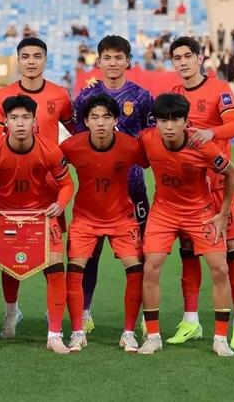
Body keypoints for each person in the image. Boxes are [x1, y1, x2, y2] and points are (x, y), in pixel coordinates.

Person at [0, 95, 74, 354]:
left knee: (56, 264)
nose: (20, 123)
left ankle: (54, 335)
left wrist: (60, 204)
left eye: (25, 117)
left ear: (34, 121)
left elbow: (67, 184)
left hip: (40, 216)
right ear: (5, 121)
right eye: (14, 118)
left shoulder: (50, 150)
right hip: (3, 215)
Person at [0, 37, 75, 338]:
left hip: (49, 192)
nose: (32, 62)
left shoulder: (60, 94)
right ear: (18, 60)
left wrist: (65, 161)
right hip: (11, 191)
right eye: (26, 56)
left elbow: (76, 133)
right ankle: (12, 314)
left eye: (37, 56)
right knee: (9, 255)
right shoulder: (3, 95)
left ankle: (53, 315)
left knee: (52, 257)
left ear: (45, 60)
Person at [137, 93, 234, 358]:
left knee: (220, 269)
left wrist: (223, 212)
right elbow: (135, 160)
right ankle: (153, 337)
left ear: (186, 121)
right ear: (156, 122)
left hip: (199, 213)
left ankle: (220, 339)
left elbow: (231, 173)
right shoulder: (146, 139)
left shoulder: (201, 145)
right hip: (164, 212)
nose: (169, 127)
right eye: (163, 121)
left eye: (175, 120)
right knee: (151, 267)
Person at [169, 36, 234, 350]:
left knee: (230, 253)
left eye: (188, 56)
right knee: (188, 252)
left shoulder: (219, 89)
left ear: (200, 58)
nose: (183, 62)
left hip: (218, 186)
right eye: (177, 58)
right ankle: (191, 321)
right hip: (188, 190)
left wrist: (210, 132)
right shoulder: (174, 94)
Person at [72, 35, 154, 334]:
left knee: (141, 255)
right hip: (95, 190)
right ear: (99, 61)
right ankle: (84, 312)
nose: (113, 63)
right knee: (89, 255)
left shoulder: (142, 97)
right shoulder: (86, 96)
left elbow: (151, 139)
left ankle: (145, 314)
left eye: (119, 57)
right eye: (107, 57)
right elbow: (78, 138)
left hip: (133, 188)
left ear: (128, 61)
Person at [61, 94, 145, 353]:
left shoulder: (130, 146)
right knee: (74, 272)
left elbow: (154, 162)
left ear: (115, 120)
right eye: (94, 117)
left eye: (106, 117)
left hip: (122, 218)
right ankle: (77, 332)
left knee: (136, 271)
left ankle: (129, 333)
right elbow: (50, 168)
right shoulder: (71, 146)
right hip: (85, 219)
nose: (100, 123)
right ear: (85, 121)